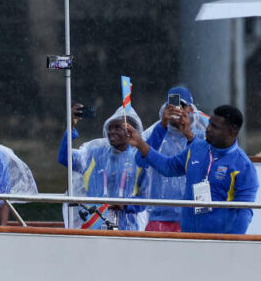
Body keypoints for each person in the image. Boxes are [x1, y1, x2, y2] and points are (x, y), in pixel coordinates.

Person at [129, 104, 259, 234]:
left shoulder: (244, 166)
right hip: (188, 238)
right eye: (209, 124)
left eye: (214, 127)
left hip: (218, 243)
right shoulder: (196, 148)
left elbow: (244, 212)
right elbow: (168, 167)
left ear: (232, 132)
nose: (208, 129)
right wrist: (140, 144)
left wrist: (233, 245)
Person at [58, 105, 147, 230]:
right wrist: (70, 126)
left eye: (117, 128)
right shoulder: (94, 154)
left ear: (130, 131)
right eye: (109, 128)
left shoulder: (139, 159)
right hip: (94, 228)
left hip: (127, 230)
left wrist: (125, 206)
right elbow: (64, 158)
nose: (111, 131)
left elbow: (146, 198)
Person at [140, 87, 207, 232]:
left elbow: (209, 165)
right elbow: (140, 162)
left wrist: (189, 135)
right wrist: (162, 126)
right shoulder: (154, 131)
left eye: (181, 106)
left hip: (194, 214)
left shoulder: (203, 134)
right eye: (171, 106)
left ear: (190, 109)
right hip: (160, 217)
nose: (177, 110)